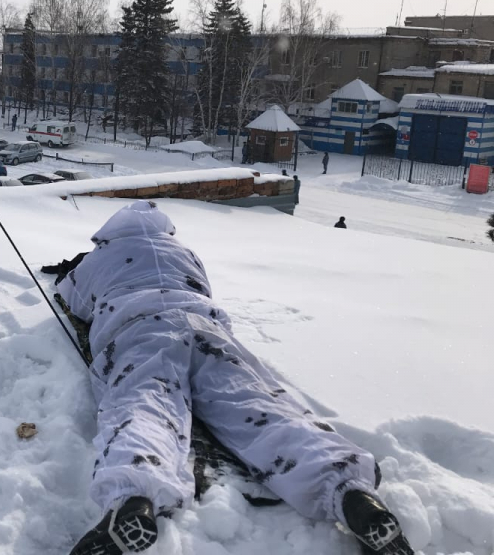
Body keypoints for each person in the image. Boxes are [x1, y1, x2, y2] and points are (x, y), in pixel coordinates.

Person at [56, 201, 411, 555]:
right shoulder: (185, 252)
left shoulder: (100, 257)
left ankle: (134, 497)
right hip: (206, 329)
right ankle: (350, 491)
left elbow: (73, 298)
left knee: (144, 402)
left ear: (109, 233)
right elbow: (201, 289)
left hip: (142, 331)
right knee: (257, 403)